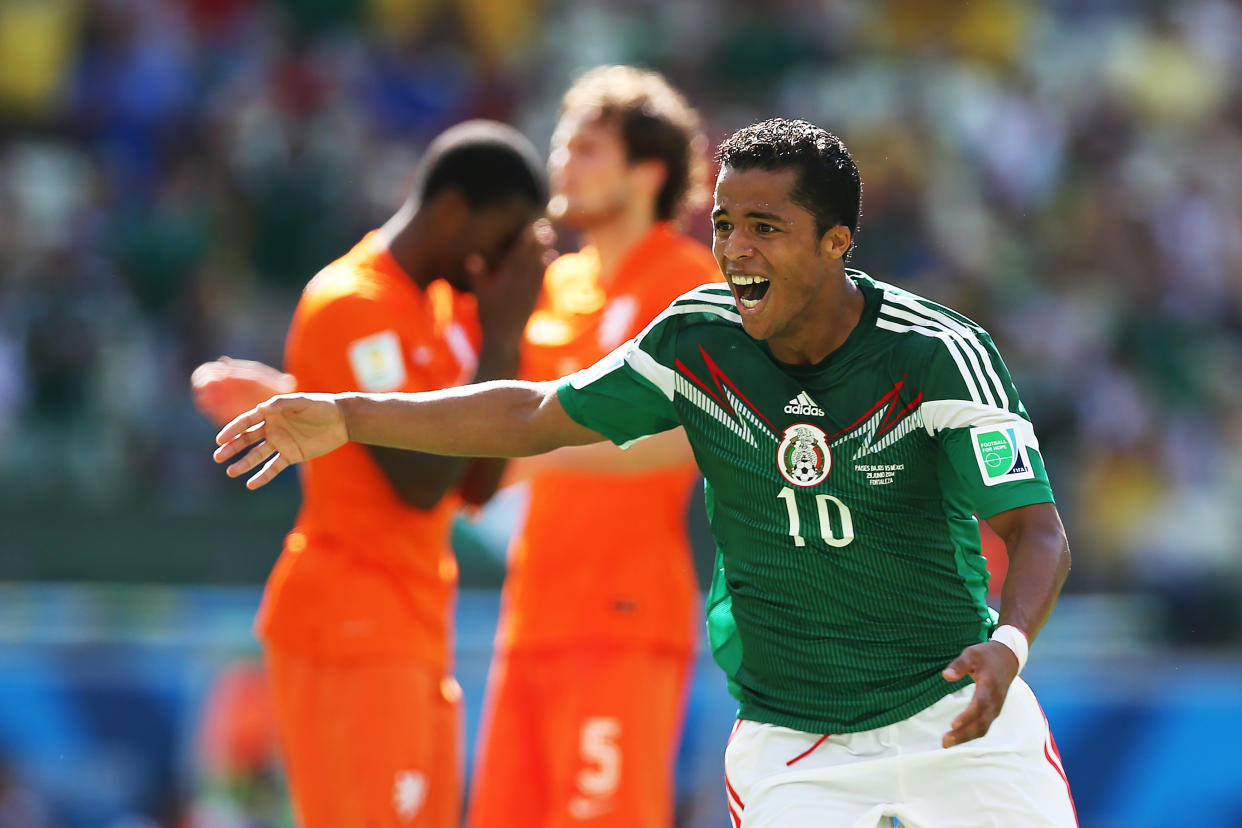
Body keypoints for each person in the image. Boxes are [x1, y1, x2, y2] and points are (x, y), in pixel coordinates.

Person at [214, 118, 1077, 828]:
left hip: (954, 715)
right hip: (791, 740)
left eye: (765, 229)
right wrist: (347, 413)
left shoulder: (938, 355)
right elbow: (532, 413)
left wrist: (1007, 645)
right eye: (726, 225)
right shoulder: (697, 334)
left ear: (837, 242)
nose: (736, 250)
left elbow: (1037, 529)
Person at [197, 120, 551, 828]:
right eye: (504, 234)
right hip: (349, 624)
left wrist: (499, 339)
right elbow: (418, 483)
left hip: (411, 623)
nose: (506, 260)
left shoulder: (448, 310)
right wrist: (503, 336)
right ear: (453, 210)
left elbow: (476, 487)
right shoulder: (352, 304)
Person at [466, 66, 719, 828]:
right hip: (532, 613)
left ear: (648, 172)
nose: (561, 163)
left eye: (586, 148)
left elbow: (693, 436)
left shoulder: (689, 284)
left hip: (623, 618)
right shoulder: (551, 284)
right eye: (560, 145)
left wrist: (527, 453)